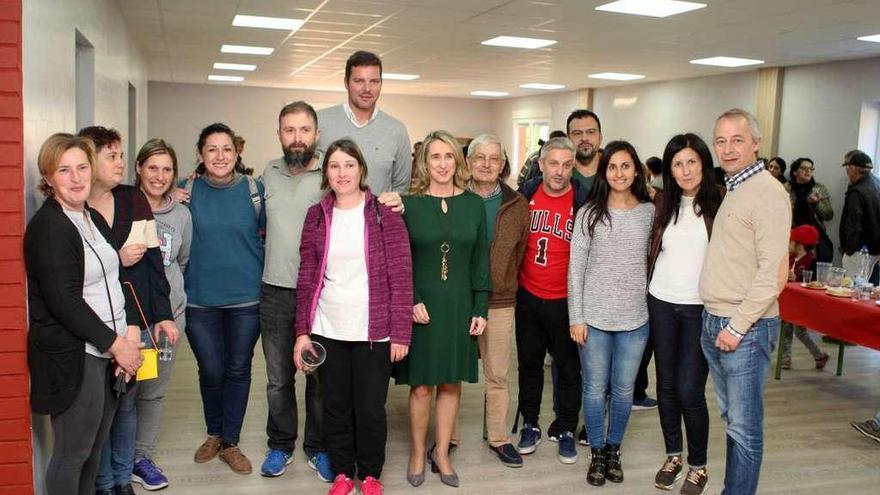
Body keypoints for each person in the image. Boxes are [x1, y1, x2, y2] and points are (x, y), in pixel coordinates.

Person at [25, 133, 143, 495]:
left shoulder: (89, 217)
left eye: (81, 167)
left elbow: (117, 277)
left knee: (94, 450)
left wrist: (132, 331)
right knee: (71, 455)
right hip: (79, 356)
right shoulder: (50, 227)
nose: (76, 178)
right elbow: (64, 301)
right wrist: (117, 346)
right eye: (64, 170)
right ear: (48, 177)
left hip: (109, 349)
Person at [293, 138, 413, 495]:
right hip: (328, 327)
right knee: (335, 406)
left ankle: (371, 474)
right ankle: (344, 473)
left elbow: (401, 276)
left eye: (348, 165)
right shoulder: (316, 215)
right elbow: (306, 276)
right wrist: (302, 333)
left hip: (374, 332)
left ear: (361, 168)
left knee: (371, 408)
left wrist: (401, 333)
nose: (342, 173)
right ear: (325, 172)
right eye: (334, 166)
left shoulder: (383, 214)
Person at [78, 126, 178, 495]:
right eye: (112, 156)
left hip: (134, 322)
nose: (120, 163)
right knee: (99, 410)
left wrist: (162, 314)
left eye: (122, 155)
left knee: (126, 401)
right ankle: (104, 484)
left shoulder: (133, 199)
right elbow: (80, 273)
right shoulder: (77, 204)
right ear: (90, 158)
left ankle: (123, 481)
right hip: (94, 325)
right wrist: (116, 258)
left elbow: (153, 263)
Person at [699, 108, 791, 495]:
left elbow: (773, 272)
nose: (728, 148)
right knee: (733, 421)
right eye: (720, 140)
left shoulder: (768, 192)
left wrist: (737, 327)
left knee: (745, 428)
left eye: (737, 140)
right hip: (718, 320)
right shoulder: (735, 185)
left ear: (756, 143)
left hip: (743, 328)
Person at [394, 130, 490, 488]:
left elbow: (481, 259)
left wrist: (481, 306)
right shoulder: (409, 204)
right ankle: (419, 451)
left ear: (458, 161)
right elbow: (400, 260)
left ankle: (442, 453)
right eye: (435, 156)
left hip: (461, 305)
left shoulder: (473, 204)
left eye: (449, 156)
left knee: (451, 384)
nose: (442, 164)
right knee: (421, 386)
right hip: (423, 307)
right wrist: (411, 299)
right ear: (424, 162)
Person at [568, 140, 654, 487]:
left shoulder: (649, 213)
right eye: (612, 167)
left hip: (635, 320)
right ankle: (597, 452)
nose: (619, 173)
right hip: (594, 320)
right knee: (594, 389)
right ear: (605, 172)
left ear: (636, 171)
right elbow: (576, 269)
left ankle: (613, 449)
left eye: (625, 166)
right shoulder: (590, 212)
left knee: (623, 391)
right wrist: (576, 316)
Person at [184, 122, 266, 475]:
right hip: (199, 299)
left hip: (246, 299)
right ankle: (213, 432)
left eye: (227, 149)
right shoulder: (184, 192)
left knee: (238, 369)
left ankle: (229, 440)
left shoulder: (254, 190)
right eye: (212, 149)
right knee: (211, 370)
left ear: (237, 153)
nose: (220, 156)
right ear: (201, 155)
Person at [257, 101, 331, 480]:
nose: (297, 137)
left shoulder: (330, 175)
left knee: (318, 377)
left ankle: (318, 448)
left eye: (304, 130)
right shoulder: (266, 175)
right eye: (290, 130)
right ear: (280, 134)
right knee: (278, 378)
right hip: (274, 292)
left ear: (316, 134)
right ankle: (280, 444)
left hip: (319, 294)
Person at [647, 133, 723, 495]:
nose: (685, 169)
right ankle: (672, 455)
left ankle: (699, 465)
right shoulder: (663, 203)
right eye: (677, 163)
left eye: (692, 161)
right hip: (660, 302)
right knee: (666, 385)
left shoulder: (719, 204)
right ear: (670, 169)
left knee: (690, 388)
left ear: (704, 164)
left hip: (699, 308)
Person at [515, 137, 588, 464]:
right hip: (529, 296)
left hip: (566, 302)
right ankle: (530, 424)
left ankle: (568, 428)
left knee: (569, 369)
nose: (559, 171)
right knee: (530, 366)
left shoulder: (584, 200)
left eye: (566, 164)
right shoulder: (525, 197)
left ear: (573, 166)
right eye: (553, 163)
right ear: (541, 164)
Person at [130, 138, 192, 491]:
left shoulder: (182, 214)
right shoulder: (122, 205)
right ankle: (119, 457)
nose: (159, 175)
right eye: (152, 167)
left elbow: (181, 261)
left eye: (167, 169)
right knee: (126, 391)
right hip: (131, 320)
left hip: (169, 321)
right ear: (139, 168)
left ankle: (142, 457)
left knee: (153, 390)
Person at [465, 134, 530, 468]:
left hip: (500, 301)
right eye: (480, 157)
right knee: (451, 374)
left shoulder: (517, 205)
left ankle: (499, 438)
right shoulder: (455, 196)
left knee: (498, 375)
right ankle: (447, 437)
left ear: (503, 164)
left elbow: (520, 253)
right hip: (459, 301)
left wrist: (504, 282)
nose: (487, 164)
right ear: (469, 161)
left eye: (494, 158)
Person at [317, 50, 412, 194]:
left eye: (374, 81)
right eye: (359, 81)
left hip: (378, 216)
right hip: (328, 216)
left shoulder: (396, 131)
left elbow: (401, 189)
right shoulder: (319, 123)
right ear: (346, 83)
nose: (367, 89)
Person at [780, 225, 829, 370]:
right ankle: (786, 358)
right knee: (786, 329)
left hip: (801, 303)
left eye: (792, 241)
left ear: (799, 245)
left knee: (800, 332)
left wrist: (797, 278)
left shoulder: (811, 262)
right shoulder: (789, 258)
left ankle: (819, 355)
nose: (789, 244)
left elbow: (812, 283)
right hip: (788, 300)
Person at [839, 151, 880, 281]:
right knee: (865, 292)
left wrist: (849, 250)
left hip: (858, 251)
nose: (847, 171)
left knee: (851, 291)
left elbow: (854, 225)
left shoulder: (857, 191)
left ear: (853, 168)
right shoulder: (877, 184)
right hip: (874, 250)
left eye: (847, 167)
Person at [785, 157, 834, 262]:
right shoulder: (786, 188)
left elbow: (829, 215)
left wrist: (816, 203)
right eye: (804, 168)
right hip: (791, 237)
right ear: (795, 172)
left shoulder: (818, 188)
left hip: (814, 237)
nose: (808, 171)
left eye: (811, 169)